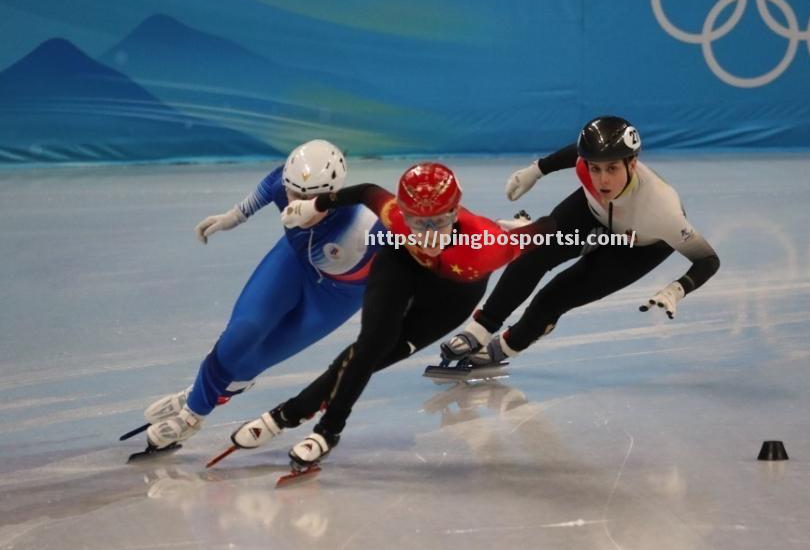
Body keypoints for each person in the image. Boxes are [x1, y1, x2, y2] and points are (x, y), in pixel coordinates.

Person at [221, 162, 554, 471]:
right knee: (370, 345)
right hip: (401, 263)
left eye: (438, 221)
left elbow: (551, 229)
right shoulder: (394, 216)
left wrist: (577, 234)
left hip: (454, 294)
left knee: (378, 356)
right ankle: (326, 430)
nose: (427, 234)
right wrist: (316, 205)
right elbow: (366, 190)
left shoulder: (489, 245)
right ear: (403, 214)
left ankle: (285, 415)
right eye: (417, 222)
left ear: (454, 211)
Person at [140, 140, 383, 450]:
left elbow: (435, 244)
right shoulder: (286, 183)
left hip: (338, 296)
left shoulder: (368, 225)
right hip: (294, 264)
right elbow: (271, 184)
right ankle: (192, 414)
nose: (296, 205)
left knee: (255, 359)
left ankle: (200, 393)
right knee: (243, 332)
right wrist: (234, 216)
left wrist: (465, 246)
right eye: (294, 194)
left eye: (311, 199)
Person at [441, 115, 720, 366]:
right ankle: (479, 329)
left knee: (557, 295)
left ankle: (505, 347)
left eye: (612, 169)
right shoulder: (587, 166)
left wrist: (678, 289)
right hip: (592, 213)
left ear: (633, 163)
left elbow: (708, 259)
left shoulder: (663, 210)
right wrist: (536, 170)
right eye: (595, 169)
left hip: (638, 244)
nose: (602, 180)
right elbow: (576, 154)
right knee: (534, 254)